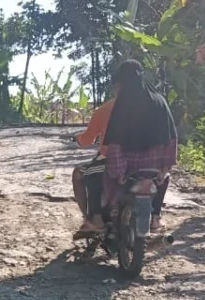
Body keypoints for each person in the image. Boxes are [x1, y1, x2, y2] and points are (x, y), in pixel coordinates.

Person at [90, 59, 177, 239]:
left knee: (104, 175)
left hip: (129, 168)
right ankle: (155, 218)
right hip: (153, 170)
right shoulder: (160, 101)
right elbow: (171, 138)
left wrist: (119, 172)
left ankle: (112, 210)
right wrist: (165, 168)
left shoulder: (123, 104)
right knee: (165, 179)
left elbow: (115, 143)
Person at [71, 88, 117, 238]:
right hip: (140, 162)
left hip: (111, 159)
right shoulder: (145, 107)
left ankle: (92, 218)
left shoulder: (105, 109)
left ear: (116, 87)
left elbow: (87, 139)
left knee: (83, 173)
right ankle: (155, 218)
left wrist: (78, 139)